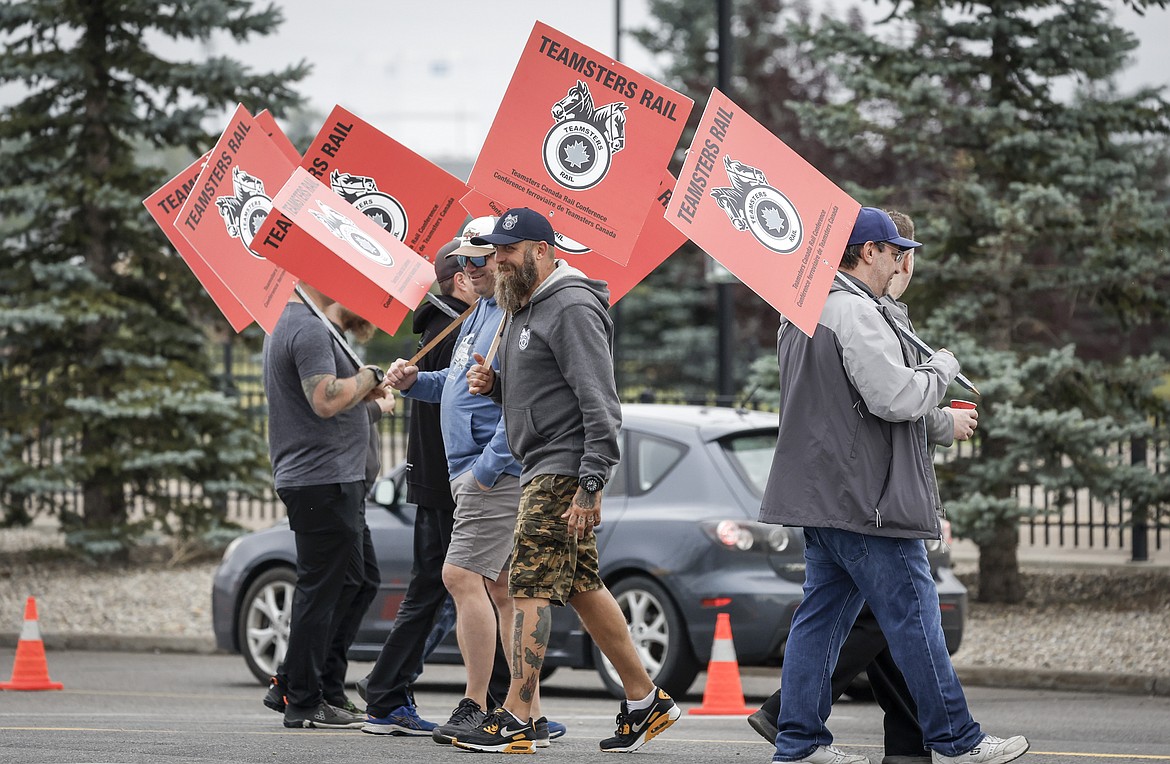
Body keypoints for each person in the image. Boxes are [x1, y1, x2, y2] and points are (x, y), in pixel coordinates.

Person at [759, 206, 1027, 764]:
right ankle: (959, 740)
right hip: (869, 500)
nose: (900, 260)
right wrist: (941, 371)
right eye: (894, 249)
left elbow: (843, 406)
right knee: (915, 619)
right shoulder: (854, 312)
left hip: (823, 496)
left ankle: (800, 741)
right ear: (869, 252)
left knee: (820, 621)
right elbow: (893, 396)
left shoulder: (803, 309)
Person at [458, 207, 681, 754]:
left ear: (541, 249)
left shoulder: (573, 306)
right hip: (542, 462)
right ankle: (644, 698)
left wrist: (592, 481)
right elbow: (544, 390)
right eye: (496, 252)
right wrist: (497, 385)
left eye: (507, 251)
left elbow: (600, 402)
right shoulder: (524, 308)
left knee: (527, 586)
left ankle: (516, 715)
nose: (497, 261)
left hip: (562, 469)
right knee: (581, 586)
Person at [384, 221, 564, 747]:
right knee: (504, 590)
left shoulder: (511, 314)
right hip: (474, 471)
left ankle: (478, 704)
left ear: (503, 260)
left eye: (479, 260)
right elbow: (459, 384)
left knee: (460, 577)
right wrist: (417, 381)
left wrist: (486, 470)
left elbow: (525, 403)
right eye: (462, 261)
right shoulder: (481, 312)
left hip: (491, 472)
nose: (467, 270)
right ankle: (529, 713)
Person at [360, 233, 477, 735]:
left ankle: (388, 688)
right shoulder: (451, 327)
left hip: (436, 474)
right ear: (458, 280)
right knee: (438, 588)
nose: (486, 274)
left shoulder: (450, 323)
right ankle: (387, 691)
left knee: (441, 588)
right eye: (476, 269)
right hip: (444, 476)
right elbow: (453, 398)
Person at [262, 283, 390, 729]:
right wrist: (370, 377)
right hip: (322, 482)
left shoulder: (305, 325)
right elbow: (324, 399)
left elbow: (332, 402)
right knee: (321, 591)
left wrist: (365, 398)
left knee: (358, 581)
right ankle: (300, 697)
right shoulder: (309, 329)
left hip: (334, 479)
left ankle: (321, 687)